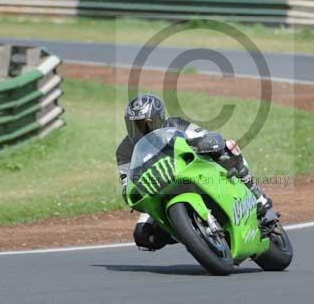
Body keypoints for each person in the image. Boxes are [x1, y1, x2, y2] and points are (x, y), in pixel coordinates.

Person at [116, 94, 278, 251]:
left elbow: (204, 135)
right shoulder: (124, 151)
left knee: (229, 147)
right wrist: (132, 192)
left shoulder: (175, 124)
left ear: (159, 119)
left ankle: (260, 200)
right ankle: (190, 234)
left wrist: (208, 142)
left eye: (145, 124)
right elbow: (126, 183)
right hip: (158, 192)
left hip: (192, 171)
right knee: (142, 236)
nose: (139, 129)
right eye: (133, 125)